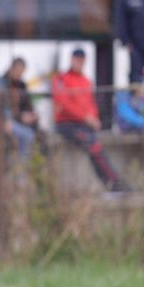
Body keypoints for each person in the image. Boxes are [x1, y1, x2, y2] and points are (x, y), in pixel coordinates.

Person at [52, 48, 123, 191]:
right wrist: (86, 117)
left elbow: (90, 103)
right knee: (94, 146)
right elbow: (64, 103)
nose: (79, 62)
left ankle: (112, 184)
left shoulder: (86, 81)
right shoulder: (60, 79)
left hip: (82, 125)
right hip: (66, 124)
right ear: (71, 60)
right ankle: (114, 184)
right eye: (76, 59)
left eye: (81, 60)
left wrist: (94, 118)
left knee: (96, 148)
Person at [114, 69, 144, 169]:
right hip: (125, 127)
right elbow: (127, 115)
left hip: (140, 127)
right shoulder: (123, 96)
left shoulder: (140, 98)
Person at [2, 57, 41, 159]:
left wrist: (32, 115)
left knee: (41, 136)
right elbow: (4, 108)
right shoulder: (3, 83)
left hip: (22, 121)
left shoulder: (22, 85)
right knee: (28, 135)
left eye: (22, 72)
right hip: (9, 121)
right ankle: (22, 166)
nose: (19, 74)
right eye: (17, 71)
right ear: (12, 69)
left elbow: (28, 105)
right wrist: (20, 117)